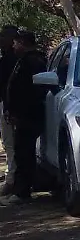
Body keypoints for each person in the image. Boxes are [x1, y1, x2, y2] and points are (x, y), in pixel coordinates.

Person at [1, 30, 47, 205]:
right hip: (21, 115)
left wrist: (20, 113)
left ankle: (22, 192)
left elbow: (30, 92)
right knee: (22, 152)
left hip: (28, 116)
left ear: (23, 43)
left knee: (24, 153)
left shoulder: (33, 62)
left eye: (16, 42)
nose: (14, 46)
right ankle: (22, 189)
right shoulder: (24, 61)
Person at [0, 25, 18, 194]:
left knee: (11, 143)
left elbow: (9, 87)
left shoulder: (12, 59)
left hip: (10, 107)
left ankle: (12, 180)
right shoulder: (9, 58)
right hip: (8, 105)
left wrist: (7, 108)